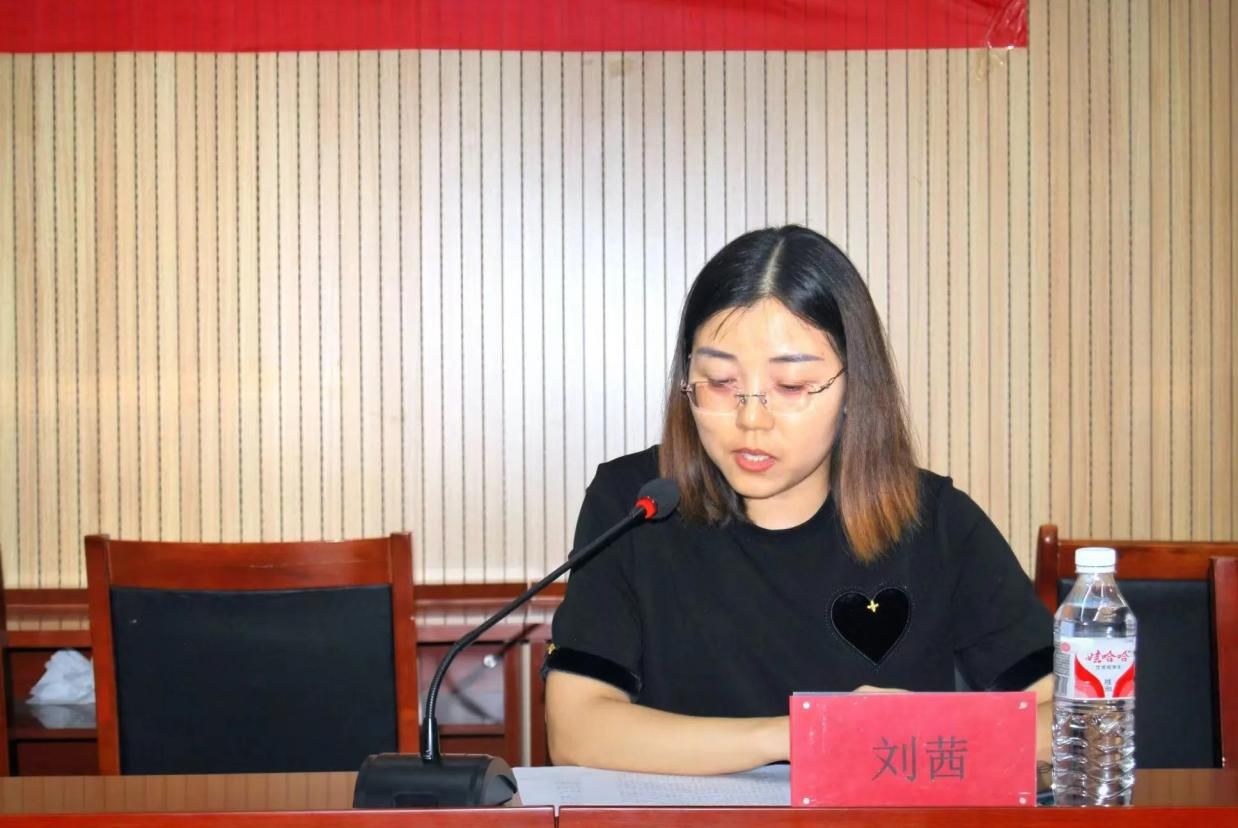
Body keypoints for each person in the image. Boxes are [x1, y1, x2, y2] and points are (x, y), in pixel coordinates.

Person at [543, 225, 1053, 775]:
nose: (751, 418)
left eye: (790, 387)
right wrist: (804, 733)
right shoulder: (635, 507)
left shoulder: (936, 522)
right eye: (720, 381)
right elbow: (576, 730)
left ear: (855, 386)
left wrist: (920, 732)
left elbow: (1072, 718)